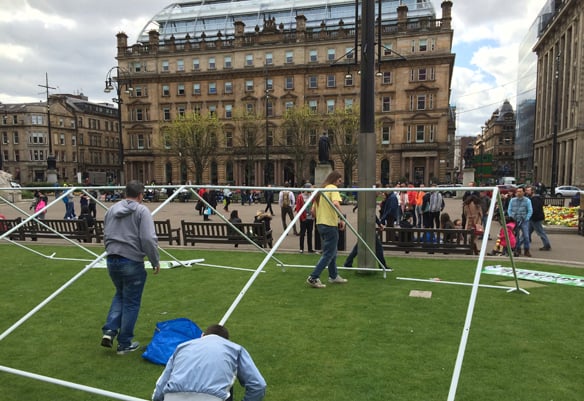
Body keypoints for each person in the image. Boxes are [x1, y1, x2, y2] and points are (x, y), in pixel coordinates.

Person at [101, 180, 160, 355]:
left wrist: (110, 250)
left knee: (120, 294)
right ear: (141, 195)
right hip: (132, 260)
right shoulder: (142, 211)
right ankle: (124, 343)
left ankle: (110, 330)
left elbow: (106, 233)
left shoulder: (111, 210)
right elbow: (148, 238)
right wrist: (154, 260)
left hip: (112, 259)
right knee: (131, 302)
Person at [152, 324, 266, 401]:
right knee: (227, 382)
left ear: (202, 335)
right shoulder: (234, 349)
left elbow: (161, 384)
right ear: (227, 340)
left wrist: (158, 399)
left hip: (172, 398)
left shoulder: (182, 347)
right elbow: (258, 385)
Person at [306, 170, 347, 288]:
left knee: (332, 251)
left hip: (320, 224)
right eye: (339, 180)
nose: (340, 182)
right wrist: (341, 218)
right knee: (329, 253)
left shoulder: (320, 190)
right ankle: (313, 277)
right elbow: (336, 203)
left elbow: (313, 211)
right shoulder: (332, 188)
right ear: (334, 179)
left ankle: (333, 276)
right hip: (329, 224)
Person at [507, 186, 533, 257]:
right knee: (516, 237)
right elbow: (509, 209)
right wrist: (511, 217)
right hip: (515, 220)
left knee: (526, 236)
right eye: (517, 191)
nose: (519, 193)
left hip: (524, 220)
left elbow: (530, 210)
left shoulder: (527, 200)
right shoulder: (512, 200)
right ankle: (517, 249)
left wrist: (527, 218)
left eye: (520, 191)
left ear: (523, 192)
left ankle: (526, 250)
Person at [525, 185, 551, 251]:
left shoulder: (535, 199)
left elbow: (535, 209)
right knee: (527, 232)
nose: (526, 192)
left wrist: (529, 214)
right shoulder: (535, 198)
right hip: (534, 218)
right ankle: (521, 244)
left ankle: (547, 244)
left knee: (540, 232)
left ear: (532, 191)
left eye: (528, 190)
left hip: (535, 218)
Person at [295, 184, 314, 253]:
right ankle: (301, 248)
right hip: (303, 218)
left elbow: (314, 205)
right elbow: (298, 208)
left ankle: (310, 248)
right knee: (302, 233)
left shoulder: (312, 196)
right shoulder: (300, 197)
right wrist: (302, 217)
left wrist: (313, 215)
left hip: (310, 218)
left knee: (310, 233)